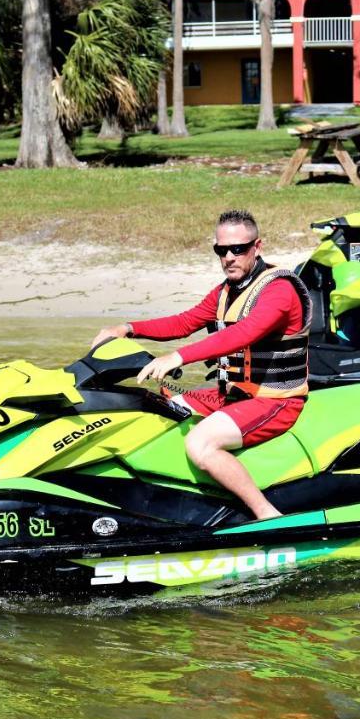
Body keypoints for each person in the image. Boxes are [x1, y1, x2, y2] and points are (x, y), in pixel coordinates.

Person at [91, 210, 311, 520]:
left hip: (274, 402)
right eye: (221, 250)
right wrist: (127, 328)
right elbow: (184, 322)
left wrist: (177, 357)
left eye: (238, 249)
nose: (229, 257)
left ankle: (267, 514)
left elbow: (245, 332)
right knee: (153, 411)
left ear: (257, 246)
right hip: (230, 396)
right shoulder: (225, 292)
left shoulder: (279, 290)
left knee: (200, 443)